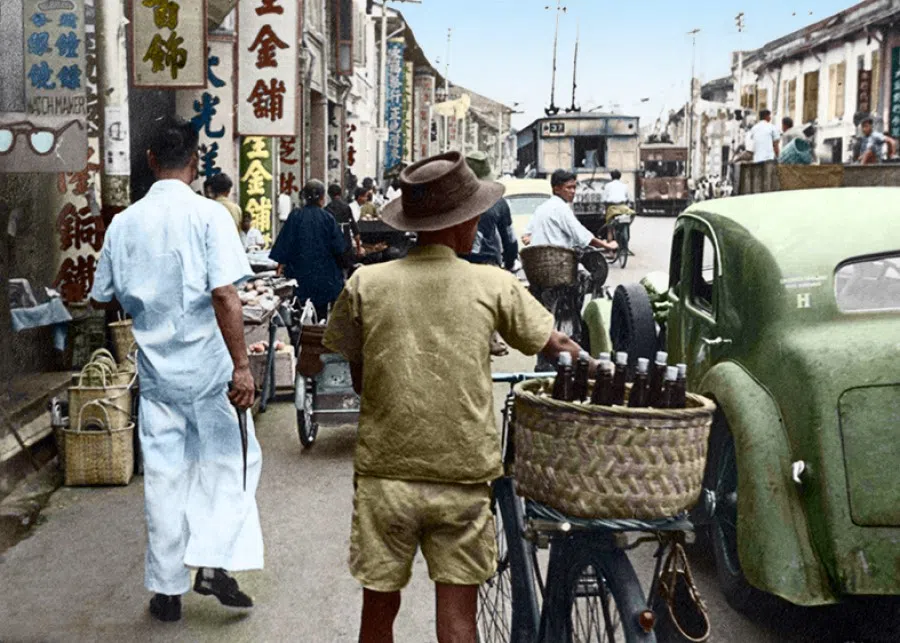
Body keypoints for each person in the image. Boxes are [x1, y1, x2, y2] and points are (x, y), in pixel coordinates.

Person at [323, 151, 593, 643]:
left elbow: (355, 371)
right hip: (463, 477)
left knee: (378, 615)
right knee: (458, 623)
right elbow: (554, 344)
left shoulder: (367, 283)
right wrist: (594, 363)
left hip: (387, 478)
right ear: (464, 224)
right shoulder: (492, 283)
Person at [90, 116, 262, 623]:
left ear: (149, 162)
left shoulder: (124, 224)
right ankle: (212, 562)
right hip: (211, 372)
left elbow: (104, 299)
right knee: (231, 465)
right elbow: (225, 295)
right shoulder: (209, 216)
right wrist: (243, 367)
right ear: (196, 162)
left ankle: (167, 591)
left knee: (165, 478)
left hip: (159, 374)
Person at [269, 179, 347, 320]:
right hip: (324, 277)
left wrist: (280, 266)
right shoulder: (328, 218)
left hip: (299, 276)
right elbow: (339, 248)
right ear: (323, 198)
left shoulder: (295, 216)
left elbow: (284, 245)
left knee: (297, 313)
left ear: (304, 196)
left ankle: (297, 339)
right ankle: (317, 337)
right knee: (321, 315)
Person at [523, 169, 617, 252]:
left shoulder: (541, 208)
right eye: (569, 188)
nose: (573, 191)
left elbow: (526, 236)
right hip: (559, 261)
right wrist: (607, 245)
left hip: (539, 262)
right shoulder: (561, 208)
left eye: (574, 187)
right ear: (557, 189)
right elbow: (582, 236)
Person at [461, 151, 518, 270]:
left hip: (457, 265)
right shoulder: (497, 201)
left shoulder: (452, 199)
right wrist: (509, 264)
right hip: (487, 264)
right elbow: (510, 240)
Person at [325, 183, 363, 259]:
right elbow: (355, 230)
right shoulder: (346, 207)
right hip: (346, 245)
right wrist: (359, 249)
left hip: (332, 247)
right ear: (340, 193)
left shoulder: (327, 209)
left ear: (329, 194)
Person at [601, 169, 635, 242]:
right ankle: (627, 226)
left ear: (611, 177)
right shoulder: (624, 185)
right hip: (623, 208)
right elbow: (631, 199)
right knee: (632, 215)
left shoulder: (607, 186)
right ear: (620, 177)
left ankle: (610, 250)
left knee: (609, 229)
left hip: (612, 209)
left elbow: (603, 200)